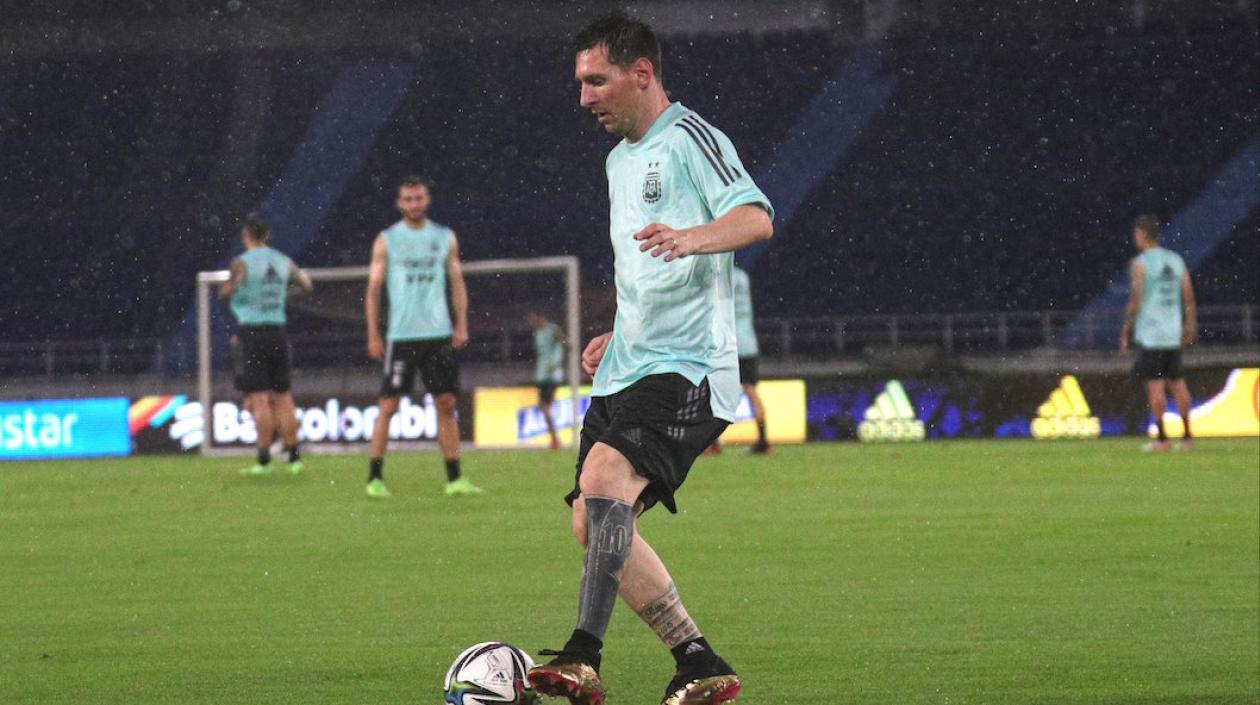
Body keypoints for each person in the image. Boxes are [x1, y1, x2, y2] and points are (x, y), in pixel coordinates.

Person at [527, 13, 773, 705]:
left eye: (596, 80)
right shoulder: (617, 161)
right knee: (592, 519)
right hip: (631, 360)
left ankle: (582, 656)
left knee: (605, 479)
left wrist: (696, 237)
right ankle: (697, 660)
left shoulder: (693, 137)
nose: (584, 97)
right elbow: (640, 270)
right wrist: (616, 327)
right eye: (579, 82)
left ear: (642, 73)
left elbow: (756, 216)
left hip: (690, 363)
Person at [363, 176, 481, 498]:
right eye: (408, 199)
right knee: (388, 405)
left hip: (438, 334)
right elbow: (373, 291)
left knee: (446, 403)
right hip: (401, 336)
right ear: (400, 204)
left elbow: (457, 283)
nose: (413, 204)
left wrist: (461, 324)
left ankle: (455, 478)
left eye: (418, 198)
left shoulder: (443, 237)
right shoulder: (387, 240)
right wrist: (374, 333)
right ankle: (374, 477)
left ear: (426, 200)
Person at [218, 215, 313, 476]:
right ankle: (295, 459)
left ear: (245, 236)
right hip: (277, 332)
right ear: (267, 235)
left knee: (259, 398)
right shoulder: (284, 260)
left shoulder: (242, 263)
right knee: (283, 397)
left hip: (253, 332)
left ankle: (263, 461)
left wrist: (236, 299)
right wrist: (282, 297)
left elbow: (226, 292)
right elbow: (306, 286)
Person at [1120, 214, 1197, 451]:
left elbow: (1136, 299)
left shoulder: (1140, 264)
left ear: (1142, 234)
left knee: (1155, 385)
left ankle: (1163, 439)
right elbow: (1188, 296)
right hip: (1172, 330)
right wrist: (1189, 324)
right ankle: (1186, 436)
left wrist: (1126, 329)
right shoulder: (1176, 260)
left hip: (1151, 333)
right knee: (1178, 382)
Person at [732, 265, 770, 454]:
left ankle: (711, 444)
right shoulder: (743, 277)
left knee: (711, 393)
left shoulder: (722, 277)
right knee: (752, 391)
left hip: (729, 345)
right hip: (749, 342)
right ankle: (763, 441)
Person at [529, 312, 568, 450]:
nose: (531, 322)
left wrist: (557, 363)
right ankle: (554, 439)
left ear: (541, 317)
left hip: (551, 376)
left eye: (533, 318)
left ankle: (556, 440)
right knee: (543, 406)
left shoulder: (552, 330)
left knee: (544, 406)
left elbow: (567, 345)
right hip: (541, 375)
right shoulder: (537, 333)